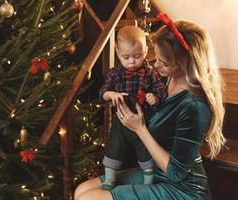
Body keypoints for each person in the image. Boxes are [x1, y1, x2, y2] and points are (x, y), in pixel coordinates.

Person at [74, 13, 226, 200]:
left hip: (184, 190)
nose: (156, 64)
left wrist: (139, 128)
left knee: (88, 198)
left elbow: (175, 173)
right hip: (156, 172)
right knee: (82, 190)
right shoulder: (166, 80)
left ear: (183, 63)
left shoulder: (194, 106)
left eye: (163, 62)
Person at [99, 25, 166, 190]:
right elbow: (103, 93)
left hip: (143, 118)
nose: (131, 62)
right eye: (126, 57)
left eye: (137, 56)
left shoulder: (150, 73)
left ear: (145, 51)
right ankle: (110, 179)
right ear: (117, 53)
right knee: (115, 145)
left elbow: (161, 93)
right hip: (121, 119)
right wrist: (111, 95)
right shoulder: (115, 73)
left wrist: (154, 98)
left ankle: (149, 180)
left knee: (144, 148)